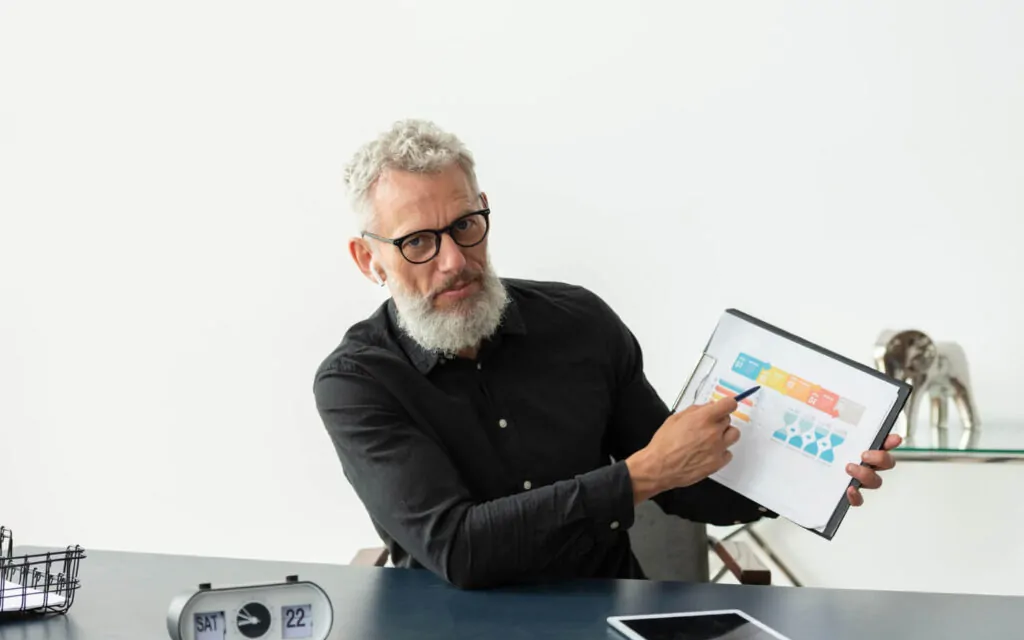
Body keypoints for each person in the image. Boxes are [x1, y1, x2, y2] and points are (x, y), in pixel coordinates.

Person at [313, 119, 898, 590]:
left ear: (484, 211)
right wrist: (640, 475)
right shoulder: (357, 382)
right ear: (369, 260)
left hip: (608, 628)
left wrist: (806, 479)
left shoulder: (579, 323)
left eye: (466, 224)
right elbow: (460, 548)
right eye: (417, 241)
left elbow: (683, 482)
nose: (453, 260)